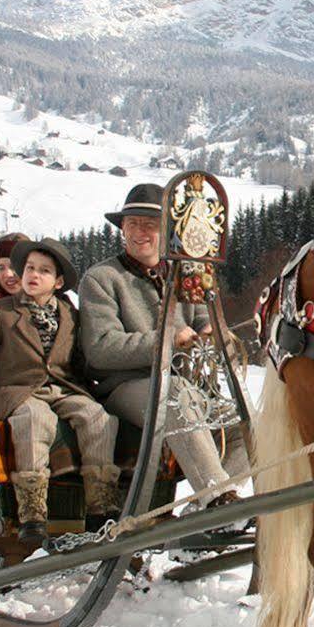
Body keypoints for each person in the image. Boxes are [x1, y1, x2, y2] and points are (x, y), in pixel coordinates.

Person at [80, 183, 243, 504]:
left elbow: (202, 322)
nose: (140, 233)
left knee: (247, 422)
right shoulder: (101, 278)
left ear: (166, 231)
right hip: (128, 386)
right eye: (132, 225)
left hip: (188, 384)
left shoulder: (186, 274)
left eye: (150, 225)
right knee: (175, 398)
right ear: (122, 229)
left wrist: (217, 332)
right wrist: (167, 341)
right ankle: (218, 497)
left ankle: (206, 509)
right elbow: (101, 349)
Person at [0, 237, 119, 545]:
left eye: (44, 271)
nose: (33, 275)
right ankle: (32, 511)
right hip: (18, 390)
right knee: (35, 420)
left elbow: (80, 361)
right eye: (30, 268)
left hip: (63, 387)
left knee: (97, 417)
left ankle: (100, 505)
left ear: (58, 282)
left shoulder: (70, 315)